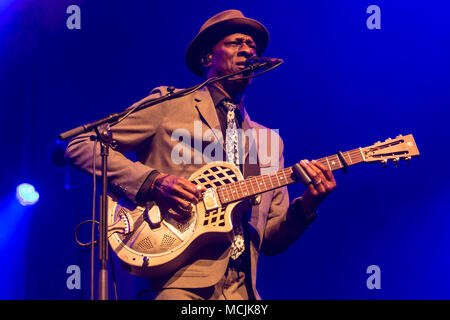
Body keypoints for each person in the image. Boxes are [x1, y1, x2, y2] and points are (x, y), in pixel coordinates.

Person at [65, 9, 337, 300]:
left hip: (244, 292)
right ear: (208, 57)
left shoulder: (269, 140)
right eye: (236, 43)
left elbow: (270, 239)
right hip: (176, 284)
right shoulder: (169, 105)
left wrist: (308, 205)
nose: (247, 49)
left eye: (252, 46)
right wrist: (154, 182)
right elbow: (82, 145)